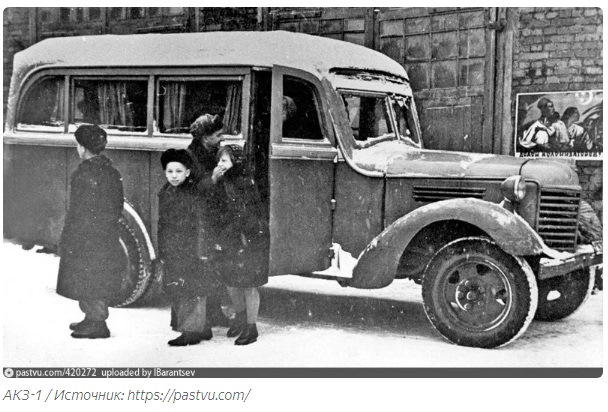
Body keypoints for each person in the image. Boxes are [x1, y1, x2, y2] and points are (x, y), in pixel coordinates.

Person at [56, 124, 124, 339]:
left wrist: (71, 235)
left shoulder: (85, 173)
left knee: (89, 277)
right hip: (103, 235)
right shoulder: (111, 171)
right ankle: (90, 317)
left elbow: (78, 209)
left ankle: (97, 323)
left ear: (83, 148)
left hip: (87, 236)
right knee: (92, 276)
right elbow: (117, 205)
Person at [205, 145, 269, 345]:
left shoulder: (244, 183)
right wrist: (213, 180)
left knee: (248, 284)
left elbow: (245, 215)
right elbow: (211, 206)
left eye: (224, 161)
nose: (220, 164)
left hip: (248, 238)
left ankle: (251, 327)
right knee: (231, 282)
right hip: (231, 237)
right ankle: (241, 318)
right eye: (219, 160)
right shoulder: (223, 181)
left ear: (236, 162)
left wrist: (231, 234)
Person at [158, 149, 217, 346]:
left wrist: (202, 251)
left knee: (191, 289)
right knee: (179, 287)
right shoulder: (166, 192)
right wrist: (163, 249)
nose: (174, 176)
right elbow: (162, 224)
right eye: (170, 171)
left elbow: (202, 223)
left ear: (188, 173)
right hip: (173, 249)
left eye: (179, 171)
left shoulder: (193, 194)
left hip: (190, 249)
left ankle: (191, 331)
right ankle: (202, 327)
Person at [186, 114, 232, 328]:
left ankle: (214, 312)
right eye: (218, 135)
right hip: (200, 219)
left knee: (215, 265)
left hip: (214, 216)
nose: (221, 139)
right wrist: (212, 178)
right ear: (205, 138)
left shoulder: (214, 153)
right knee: (204, 266)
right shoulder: (189, 157)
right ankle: (203, 316)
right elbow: (191, 190)